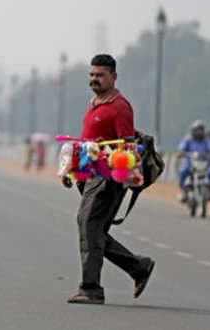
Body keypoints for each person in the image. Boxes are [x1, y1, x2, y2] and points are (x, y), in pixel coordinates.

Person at [65, 54, 154, 305]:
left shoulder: (120, 107)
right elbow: (87, 144)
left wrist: (113, 168)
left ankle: (91, 288)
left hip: (107, 179)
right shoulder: (94, 103)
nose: (94, 79)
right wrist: (73, 171)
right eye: (91, 75)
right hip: (90, 176)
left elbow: (128, 150)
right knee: (93, 229)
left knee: (88, 224)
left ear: (113, 77)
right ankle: (138, 267)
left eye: (100, 75)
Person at [177, 121, 210, 202]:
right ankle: (184, 192)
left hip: (204, 164)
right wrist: (181, 153)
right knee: (183, 171)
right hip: (190, 164)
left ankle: (209, 191)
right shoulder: (188, 140)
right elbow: (181, 150)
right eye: (197, 130)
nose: (199, 132)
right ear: (193, 130)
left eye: (201, 130)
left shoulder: (206, 140)